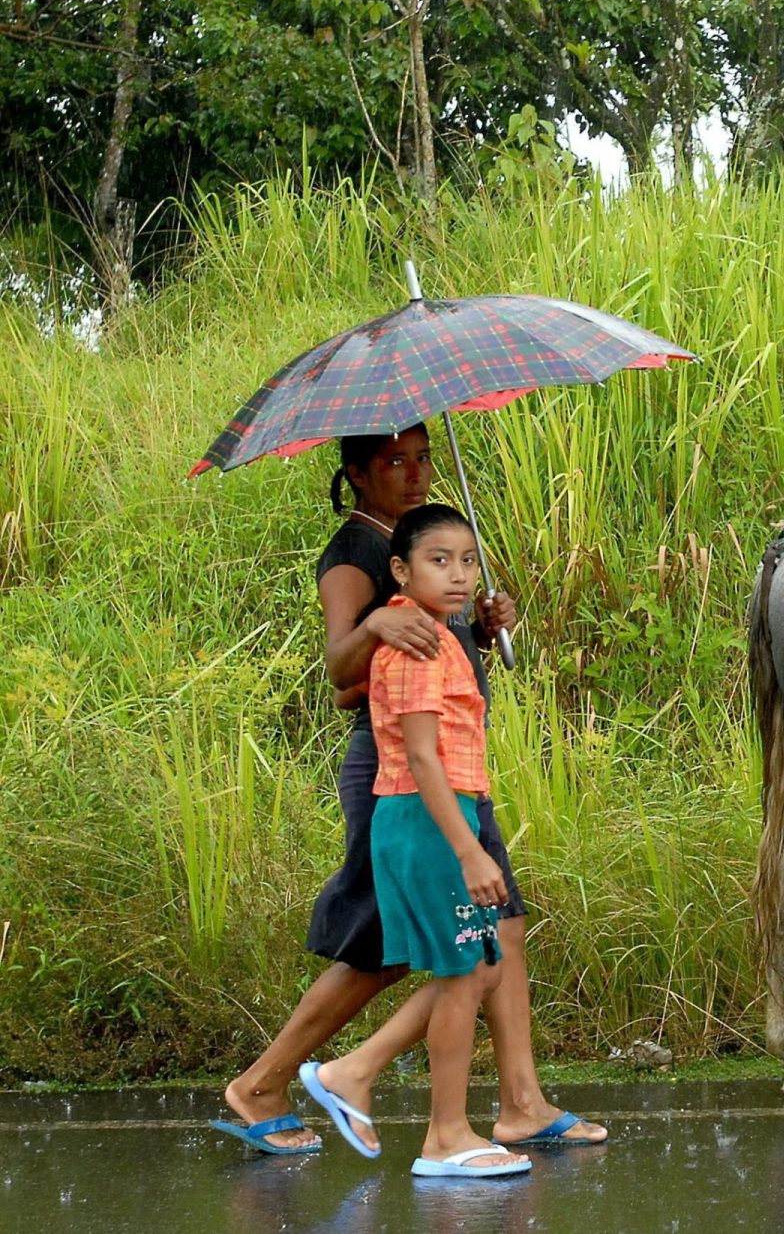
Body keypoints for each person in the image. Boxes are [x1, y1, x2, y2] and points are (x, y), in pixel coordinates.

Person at [210, 426, 606, 1153]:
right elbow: (340, 672)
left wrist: (476, 631)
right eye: (395, 461)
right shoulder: (357, 555)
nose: (416, 473)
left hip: (445, 769)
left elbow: (424, 653)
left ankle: (520, 1102)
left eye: (423, 457)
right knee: (385, 946)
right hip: (398, 773)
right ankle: (266, 1080)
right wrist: (386, 622)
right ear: (357, 473)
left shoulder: (425, 550)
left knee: (497, 929)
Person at [299, 503, 528, 1177]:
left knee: (479, 965)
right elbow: (423, 758)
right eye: (439, 561)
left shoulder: (438, 631)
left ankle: (354, 1070)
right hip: (430, 821)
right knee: (464, 974)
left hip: (436, 814)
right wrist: (468, 846)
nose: (459, 576)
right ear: (399, 569)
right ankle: (445, 1137)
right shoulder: (418, 643)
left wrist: (483, 632)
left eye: (467, 561)